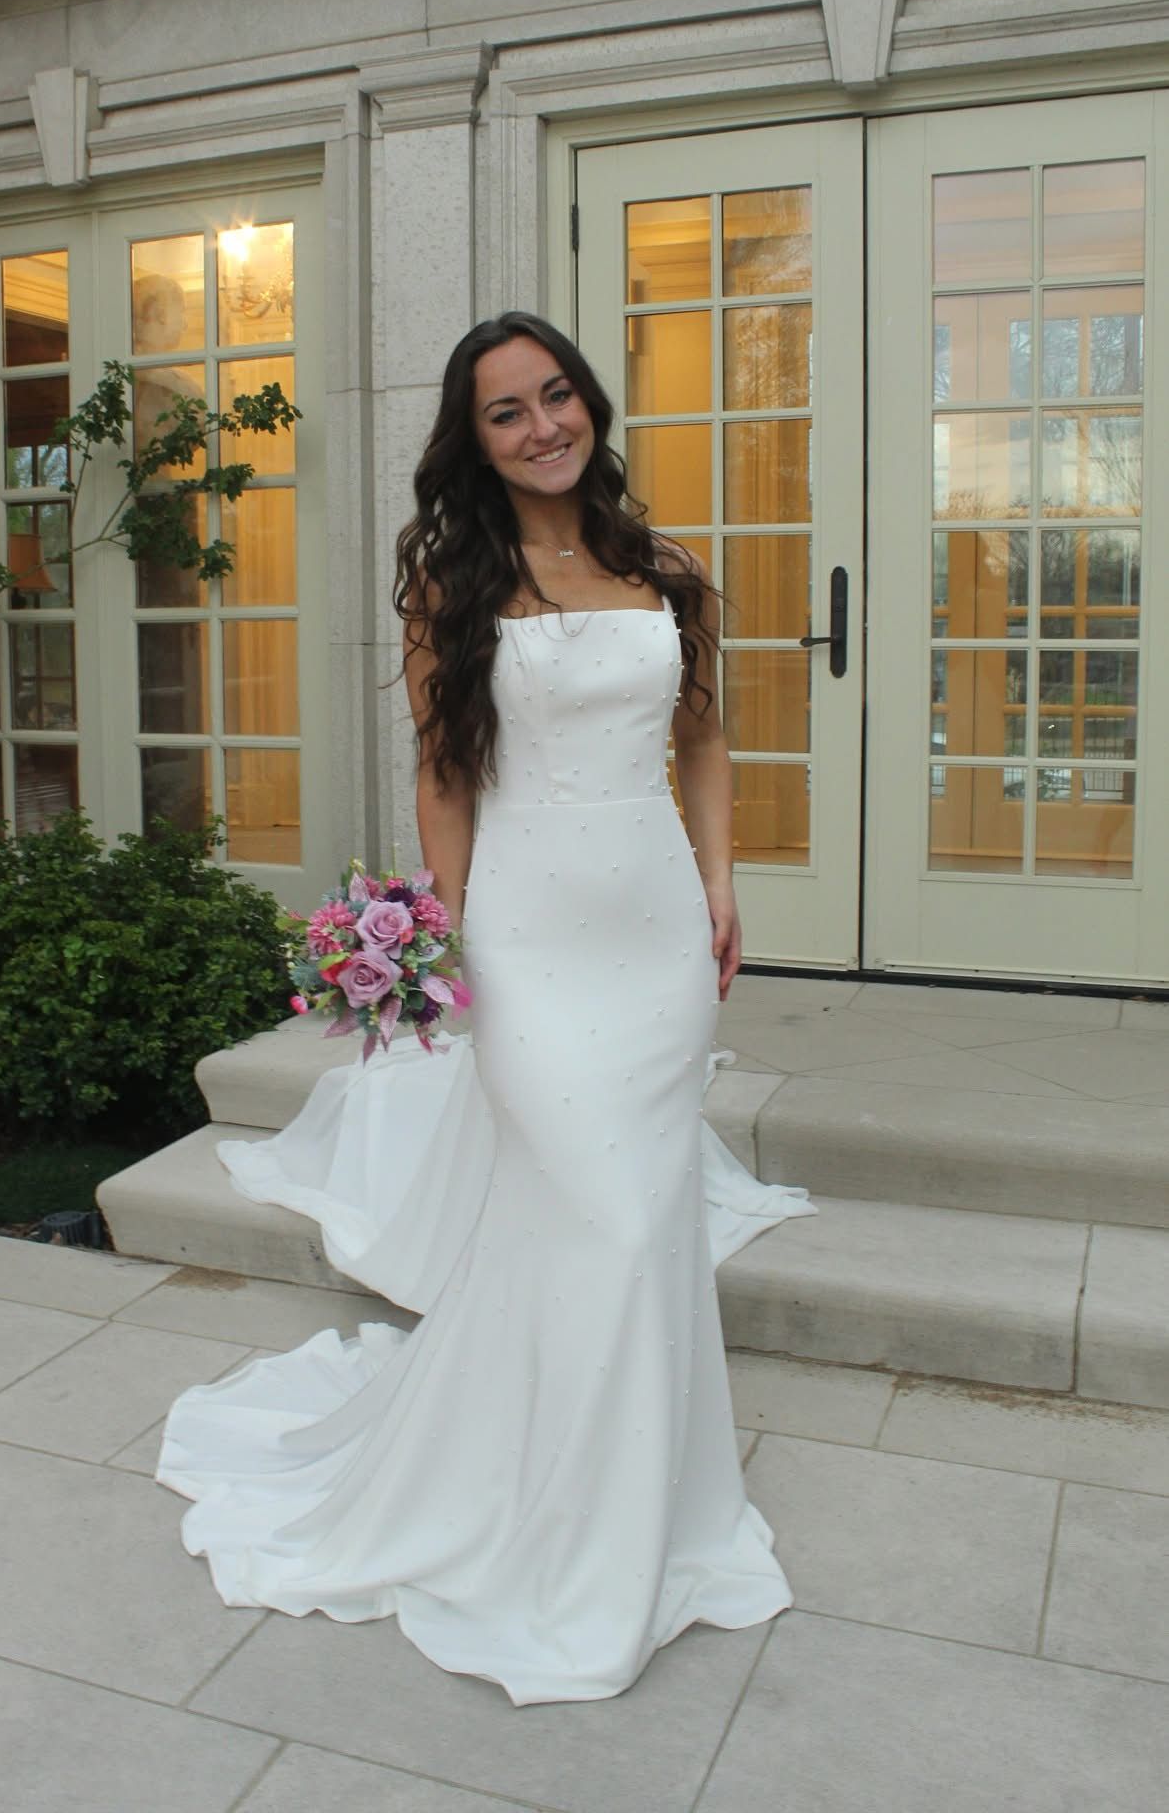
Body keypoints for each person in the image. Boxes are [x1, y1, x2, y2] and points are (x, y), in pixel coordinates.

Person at [155, 311, 815, 1706]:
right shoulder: (453, 585)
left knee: (632, 1230)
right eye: (505, 412)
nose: (539, 427)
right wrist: (448, 944)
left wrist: (720, 881)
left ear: (589, 404)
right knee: (605, 1215)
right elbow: (445, 779)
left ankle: (645, 1511)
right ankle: (558, 1524)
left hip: (649, 934)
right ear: (475, 440)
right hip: (526, 936)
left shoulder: (666, 570)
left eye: (554, 396)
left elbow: (701, 741)